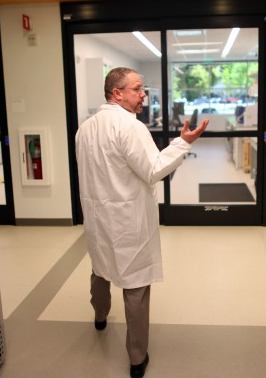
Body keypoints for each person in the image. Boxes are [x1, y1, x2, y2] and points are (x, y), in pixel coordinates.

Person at [75, 67, 208, 378]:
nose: (144, 95)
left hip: (97, 217)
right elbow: (153, 169)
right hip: (126, 221)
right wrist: (183, 143)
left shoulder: (86, 128)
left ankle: (100, 316)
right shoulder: (130, 127)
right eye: (137, 89)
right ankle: (137, 360)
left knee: (100, 268)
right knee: (135, 287)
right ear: (117, 93)